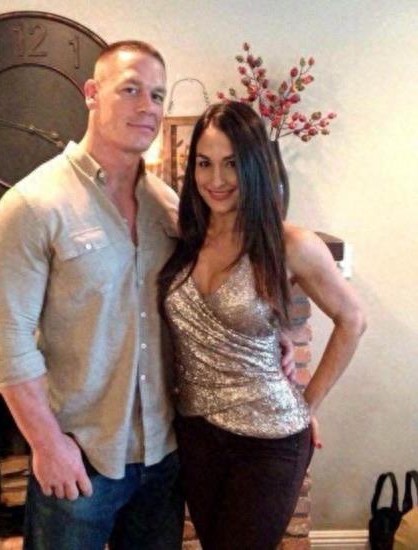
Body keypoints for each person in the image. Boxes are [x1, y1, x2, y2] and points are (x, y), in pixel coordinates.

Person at [0, 41, 295, 550]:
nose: (147, 106)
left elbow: (206, 291)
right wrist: (47, 444)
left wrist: (266, 337)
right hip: (81, 459)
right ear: (91, 93)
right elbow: (5, 342)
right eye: (130, 90)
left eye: (157, 95)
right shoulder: (33, 206)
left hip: (163, 460)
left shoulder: (167, 204)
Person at [159, 100, 366, 550]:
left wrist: (309, 405)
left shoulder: (289, 242)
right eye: (204, 163)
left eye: (232, 163)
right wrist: (279, 335)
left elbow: (352, 319)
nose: (216, 179)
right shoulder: (184, 235)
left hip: (270, 440)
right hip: (196, 434)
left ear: (254, 164)